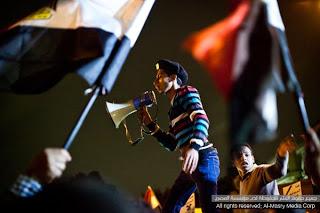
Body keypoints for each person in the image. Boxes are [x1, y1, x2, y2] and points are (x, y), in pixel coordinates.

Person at [138, 59, 220, 213]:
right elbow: (173, 144)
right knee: (169, 209)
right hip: (189, 166)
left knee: (210, 208)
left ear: (173, 77)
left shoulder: (186, 92)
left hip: (203, 157)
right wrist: (150, 123)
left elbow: (201, 118)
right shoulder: (173, 110)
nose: (155, 80)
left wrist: (194, 147)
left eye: (160, 76)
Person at [231, 135, 296, 196]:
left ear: (253, 159)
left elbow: (278, 170)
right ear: (233, 163)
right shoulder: (242, 181)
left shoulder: (260, 171)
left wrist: (282, 152)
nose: (243, 158)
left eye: (247, 155)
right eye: (239, 156)